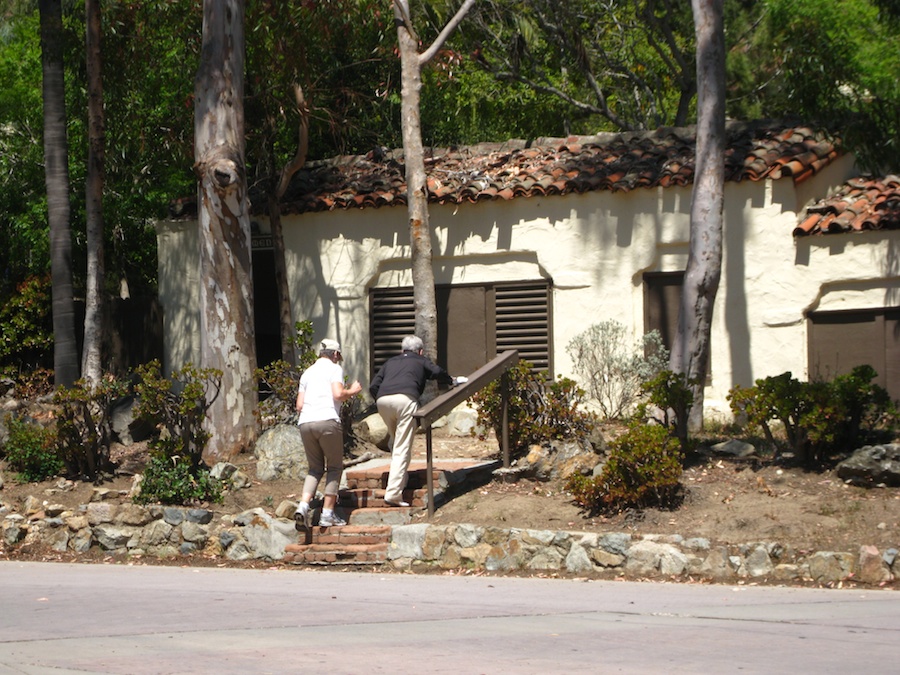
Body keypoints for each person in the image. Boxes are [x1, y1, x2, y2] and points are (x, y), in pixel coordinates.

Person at [369, 335, 454, 507]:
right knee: (402, 447)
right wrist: (452, 380)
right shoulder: (421, 360)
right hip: (405, 401)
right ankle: (393, 493)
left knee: (395, 442)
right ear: (420, 351)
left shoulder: (391, 362)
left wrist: (380, 399)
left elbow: (373, 386)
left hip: (383, 401)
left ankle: (401, 478)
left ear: (402, 350)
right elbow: (437, 372)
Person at [295, 338, 362, 528]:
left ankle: (303, 505)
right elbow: (338, 394)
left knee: (314, 469)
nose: (339, 359)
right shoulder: (334, 369)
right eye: (339, 355)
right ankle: (327, 513)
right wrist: (353, 390)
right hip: (327, 421)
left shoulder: (307, 373)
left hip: (306, 422)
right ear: (334, 354)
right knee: (334, 467)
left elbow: (299, 405)